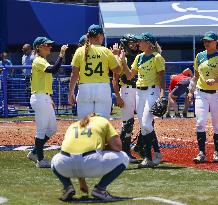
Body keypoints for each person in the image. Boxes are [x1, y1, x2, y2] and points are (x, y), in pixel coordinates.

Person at [51, 112, 129, 201]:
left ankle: (67, 186)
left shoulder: (73, 125)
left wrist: (82, 181)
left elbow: (77, 152)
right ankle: (100, 189)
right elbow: (118, 146)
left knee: (54, 160)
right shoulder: (103, 121)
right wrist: (104, 146)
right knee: (124, 157)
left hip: (64, 165)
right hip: (91, 163)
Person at [121, 32, 166, 168]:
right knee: (144, 126)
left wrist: (163, 96)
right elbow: (129, 76)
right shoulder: (139, 57)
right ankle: (148, 158)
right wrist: (123, 62)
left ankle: (157, 153)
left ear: (149, 43)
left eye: (141, 41)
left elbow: (161, 78)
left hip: (152, 91)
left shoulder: (157, 57)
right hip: (139, 93)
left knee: (146, 124)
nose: (138, 43)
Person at [188, 31, 218, 163]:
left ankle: (216, 153)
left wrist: (216, 80)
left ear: (215, 42)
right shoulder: (199, 56)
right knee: (200, 123)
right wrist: (190, 90)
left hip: (217, 93)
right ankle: (201, 153)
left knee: (217, 125)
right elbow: (196, 76)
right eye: (205, 41)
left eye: (209, 41)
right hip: (201, 93)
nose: (206, 43)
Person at [27, 37, 68, 168]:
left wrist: (49, 98)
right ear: (38, 47)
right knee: (42, 130)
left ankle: (34, 152)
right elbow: (53, 69)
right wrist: (61, 55)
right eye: (47, 45)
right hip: (39, 97)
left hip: (44, 97)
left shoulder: (42, 60)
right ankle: (40, 160)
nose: (50, 47)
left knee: (52, 129)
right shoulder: (38, 60)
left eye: (50, 45)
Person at [68, 24, 121, 119]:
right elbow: (117, 70)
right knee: (102, 123)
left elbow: (74, 75)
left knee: (84, 124)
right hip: (102, 88)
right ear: (99, 36)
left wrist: (71, 92)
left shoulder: (80, 51)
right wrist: (116, 55)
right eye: (102, 35)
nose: (103, 37)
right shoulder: (105, 51)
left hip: (84, 88)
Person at [112, 34, 140, 163]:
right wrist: (118, 96)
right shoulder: (120, 58)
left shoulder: (139, 56)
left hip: (140, 90)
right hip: (127, 90)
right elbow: (115, 80)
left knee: (147, 120)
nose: (134, 45)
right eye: (131, 43)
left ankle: (140, 147)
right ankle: (125, 152)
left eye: (135, 43)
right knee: (128, 123)